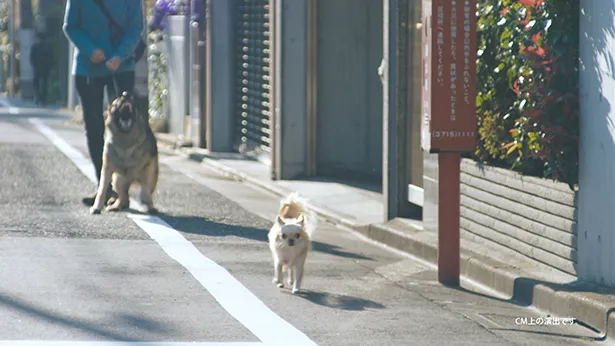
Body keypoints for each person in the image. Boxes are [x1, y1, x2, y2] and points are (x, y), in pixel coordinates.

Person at [63, 0, 144, 206]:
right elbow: (70, 26)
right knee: (94, 126)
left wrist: (119, 55)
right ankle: (104, 186)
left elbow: (136, 28)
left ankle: (122, 190)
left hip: (122, 65)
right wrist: (90, 50)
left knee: (124, 127)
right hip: (87, 68)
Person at [30, 33, 54, 106]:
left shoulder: (35, 46)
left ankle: (37, 97)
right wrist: (51, 67)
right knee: (44, 83)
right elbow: (51, 57)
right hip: (45, 68)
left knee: (36, 83)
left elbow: (31, 57)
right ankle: (43, 99)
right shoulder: (47, 47)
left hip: (37, 67)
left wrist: (34, 65)